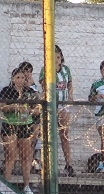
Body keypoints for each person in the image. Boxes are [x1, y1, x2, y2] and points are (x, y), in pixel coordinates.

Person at [0, 66, 39, 194]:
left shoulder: (30, 92)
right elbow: (1, 107)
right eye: (17, 77)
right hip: (10, 124)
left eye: (22, 77)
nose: (20, 80)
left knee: (26, 157)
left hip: (25, 125)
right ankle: (5, 185)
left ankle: (26, 185)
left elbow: (37, 109)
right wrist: (14, 107)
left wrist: (29, 110)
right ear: (13, 79)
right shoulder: (7, 90)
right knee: (10, 156)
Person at [43, 45, 74, 176]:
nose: (56, 59)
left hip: (63, 106)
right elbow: (44, 85)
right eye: (53, 57)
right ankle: (49, 165)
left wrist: (70, 96)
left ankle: (69, 164)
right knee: (49, 136)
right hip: (51, 106)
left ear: (61, 58)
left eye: (58, 57)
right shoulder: (46, 69)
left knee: (64, 135)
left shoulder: (66, 70)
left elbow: (70, 84)